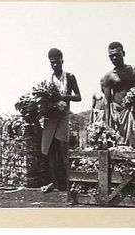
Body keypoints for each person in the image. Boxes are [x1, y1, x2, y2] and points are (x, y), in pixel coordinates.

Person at [41, 48, 82, 192]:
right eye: (52, 63)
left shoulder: (69, 77)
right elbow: (43, 100)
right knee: (51, 151)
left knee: (63, 150)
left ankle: (70, 182)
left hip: (63, 117)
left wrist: (63, 97)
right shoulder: (47, 81)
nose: (55, 65)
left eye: (57, 62)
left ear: (62, 61)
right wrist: (51, 102)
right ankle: (55, 183)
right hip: (51, 118)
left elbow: (78, 97)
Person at [100, 41, 135, 149]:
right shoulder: (108, 77)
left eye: (117, 55)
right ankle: (125, 164)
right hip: (119, 113)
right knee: (121, 141)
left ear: (123, 54)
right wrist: (108, 122)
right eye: (111, 56)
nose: (114, 58)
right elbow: (107, 101)